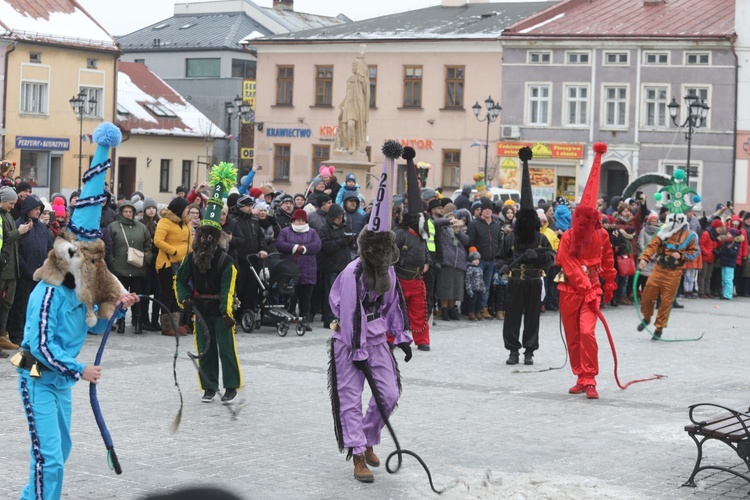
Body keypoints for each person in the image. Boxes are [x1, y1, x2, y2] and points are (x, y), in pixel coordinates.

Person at [15, 121, 139, 500]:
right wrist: (80, 369)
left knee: (60, 453)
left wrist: (118, 304)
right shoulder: (48, 294)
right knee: (48, 458)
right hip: (35, 373)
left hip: (61, 380)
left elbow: (101, 313)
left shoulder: (84, 289)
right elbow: (42, 348)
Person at [327, 143, 411, 483]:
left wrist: (402, 336)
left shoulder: (387, 271)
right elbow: (350, 315)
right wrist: (357, 349)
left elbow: (394, 305)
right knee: (350, 398)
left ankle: (368, 437)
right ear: (366, 248)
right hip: (349, 343)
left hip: (377, 341)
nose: (380, 254)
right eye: (374, 248)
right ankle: (357, 453)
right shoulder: (353, 274)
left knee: (388, 393)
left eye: (385, 249)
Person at [175, 163, 241, 404]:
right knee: (206, 350)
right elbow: (180, 281)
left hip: (220, 310)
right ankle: (209, 387)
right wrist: (184, 299)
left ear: (217, 239)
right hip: (200, 309)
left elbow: (228, 289)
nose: (204, 240)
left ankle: (231, 385)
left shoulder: (226, 261)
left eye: (209, 237)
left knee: (225, 349)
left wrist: (227, 312)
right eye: (201, 235)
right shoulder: (191, 258)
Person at [557, 143, 617, 400]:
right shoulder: (568, 237)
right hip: (571, 290)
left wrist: (609, 283)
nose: (583, 223)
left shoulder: (602, 235)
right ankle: (580, 376)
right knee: (572, 336)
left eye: (587, 219)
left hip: (592, 290)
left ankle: (590, 378)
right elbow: (568, 263)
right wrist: (585, 287)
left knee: (586, 333)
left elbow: (608, 260)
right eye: (579, 218)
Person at [495, 148, 554, 366]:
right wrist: (502, 266)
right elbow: (499, 257)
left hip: (533, 281)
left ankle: (529, 350)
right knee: (511, 317)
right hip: (515, 281)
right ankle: (512, 351)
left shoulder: (541, 239)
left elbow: (550, 260)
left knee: (532, 318)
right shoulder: (511, 238)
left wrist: (536, 258)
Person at [637, 209, 699, 339]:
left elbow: (695, 253)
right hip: (659, 269)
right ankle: (647, 317)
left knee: (666, 302)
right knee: (647, 296)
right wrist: (644, 258)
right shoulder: (662, 233)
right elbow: (652, 246)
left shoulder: (689, 236)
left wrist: (681, 255)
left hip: (674, 273)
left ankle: (659, 328)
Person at [8, 195, 52, 346]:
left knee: (38, 307)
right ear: (27, 209)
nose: (38, 212)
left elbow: (49, 247)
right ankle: (17, 335)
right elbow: (15, 251)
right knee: (21, 307)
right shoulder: (18, 225)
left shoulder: (42, 227)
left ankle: (34, 335)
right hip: (25, 275)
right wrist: (25, 268)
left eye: (40, 209)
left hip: (41, 275)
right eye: (35, 209)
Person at [276, 209, 322, 331]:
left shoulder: (312, 232)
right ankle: (287, 319)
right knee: (290, 297)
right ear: (293, 220)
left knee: (306, 299)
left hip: (308, 270)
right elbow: (280, 244)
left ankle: (305, 320)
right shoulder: (285, 231)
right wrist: (295, 247)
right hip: (290, 271)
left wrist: (304, 249)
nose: (300, 222)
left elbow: (317, 245)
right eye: (298, 220)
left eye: (302, 220)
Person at [153, 196, 192, 336]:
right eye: (186, 208)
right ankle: (166, 326)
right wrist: (173, 250)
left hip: (182, 262)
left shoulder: (186, 223)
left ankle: (176, 325)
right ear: (179, 209)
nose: (188, 211)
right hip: (167, 263)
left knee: (178, 294)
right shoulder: (165, 221)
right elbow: (158, 241)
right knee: (168, 294)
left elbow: (190, 240)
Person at [0, 186, 32, 355]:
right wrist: (17, 232)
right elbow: (5, 238)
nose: (12, 206)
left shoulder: (8, 215)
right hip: (3, 268)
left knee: (7, 305)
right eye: (10, 203)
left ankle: (3, 336)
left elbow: (12, 240)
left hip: (12, 268)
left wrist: (24, 232)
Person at [317, 204, 351, 329]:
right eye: (338, 217)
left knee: (342, 296)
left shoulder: (344, 227)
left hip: (343, 267)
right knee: (330, 295)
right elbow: (325, 247)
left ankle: (340, 319)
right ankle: (329, 320)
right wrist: (341, 242)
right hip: (331, 266)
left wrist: (350, 239)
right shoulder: (324, 229)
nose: (340, 220)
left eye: (341, 217)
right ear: (332, 217)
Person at [467, 197, 502, 320]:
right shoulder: (474, 224)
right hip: (479, 260)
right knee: (475, 286)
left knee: (486, 286)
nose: (487, 211)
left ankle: (483, 308)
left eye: (489, 209)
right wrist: (474, 256)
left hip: (491, 260)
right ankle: (473, 310)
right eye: (485, 209)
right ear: (481, 211)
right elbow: (470, 241)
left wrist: (498, 256)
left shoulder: (496, 225)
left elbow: (499, 242)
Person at [435, 210, 469, 320]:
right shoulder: (442, 230)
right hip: (447, 262)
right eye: (450, 218)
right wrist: (448, 221)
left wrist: (458, 232)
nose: (452, 220)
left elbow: (467, 241)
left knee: (455, 289)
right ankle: (444, 310)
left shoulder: (460, 231)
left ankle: (451, 309)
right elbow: (436, 222)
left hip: (459, 263)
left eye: (454, 218)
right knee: (446, 288)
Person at [335, 56, 369, 154]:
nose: (353, 67)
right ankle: (346, 145)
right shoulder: (349, 79)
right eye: (352, 65)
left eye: (355, 65)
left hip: (356, 107)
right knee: (344, 127)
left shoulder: (362, 80)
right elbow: (348, 94)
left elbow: (365, 92)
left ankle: (352, 146)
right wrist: (342, 103)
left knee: (351, 126)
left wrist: (361, 78)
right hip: (348, 105)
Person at [698, 219, 725, 298]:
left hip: (712, 257)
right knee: (703, 275)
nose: (720, 229)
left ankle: (707, 291)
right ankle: (701, 291)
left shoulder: (716, 235)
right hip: (705, 257)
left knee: (708, 275)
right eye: (719, 227)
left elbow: (718, 246)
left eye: (721, 228)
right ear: (715, 227)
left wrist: (719, 241)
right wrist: (706, 253)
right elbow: (701, 244)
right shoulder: (706, 233)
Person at [719, 228, 741, 300]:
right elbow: (723, 252)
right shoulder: (726, 242)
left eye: (729, 234)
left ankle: (728, 294)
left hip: (730, 264)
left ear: (733, 235)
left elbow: (734, 254)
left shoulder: (735, 244)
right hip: (724, 263)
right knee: (724, 279)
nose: (727, 235)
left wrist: (729, 249)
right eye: (727, 233)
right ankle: (724, 292)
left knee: (728, 279)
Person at [465, 249, 486, 321]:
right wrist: (469, 289)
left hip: (479, 288)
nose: (477, 261)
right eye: (475, 260)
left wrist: (483, 287)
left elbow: (481, 279)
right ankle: (471, 313)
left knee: (479, 301)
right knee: (472, 302)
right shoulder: (470, 269)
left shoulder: (480, 269)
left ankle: (478, 312)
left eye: (478, 260)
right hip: (473, 289)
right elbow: (467, 280)